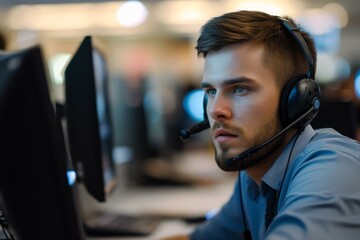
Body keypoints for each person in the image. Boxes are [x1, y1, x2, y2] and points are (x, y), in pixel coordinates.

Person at [165, 10, 360, 240]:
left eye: (240, 89)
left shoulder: (335, 169)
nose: (216, 110)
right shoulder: (255, 173)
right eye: (211, 91)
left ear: (295, 100)